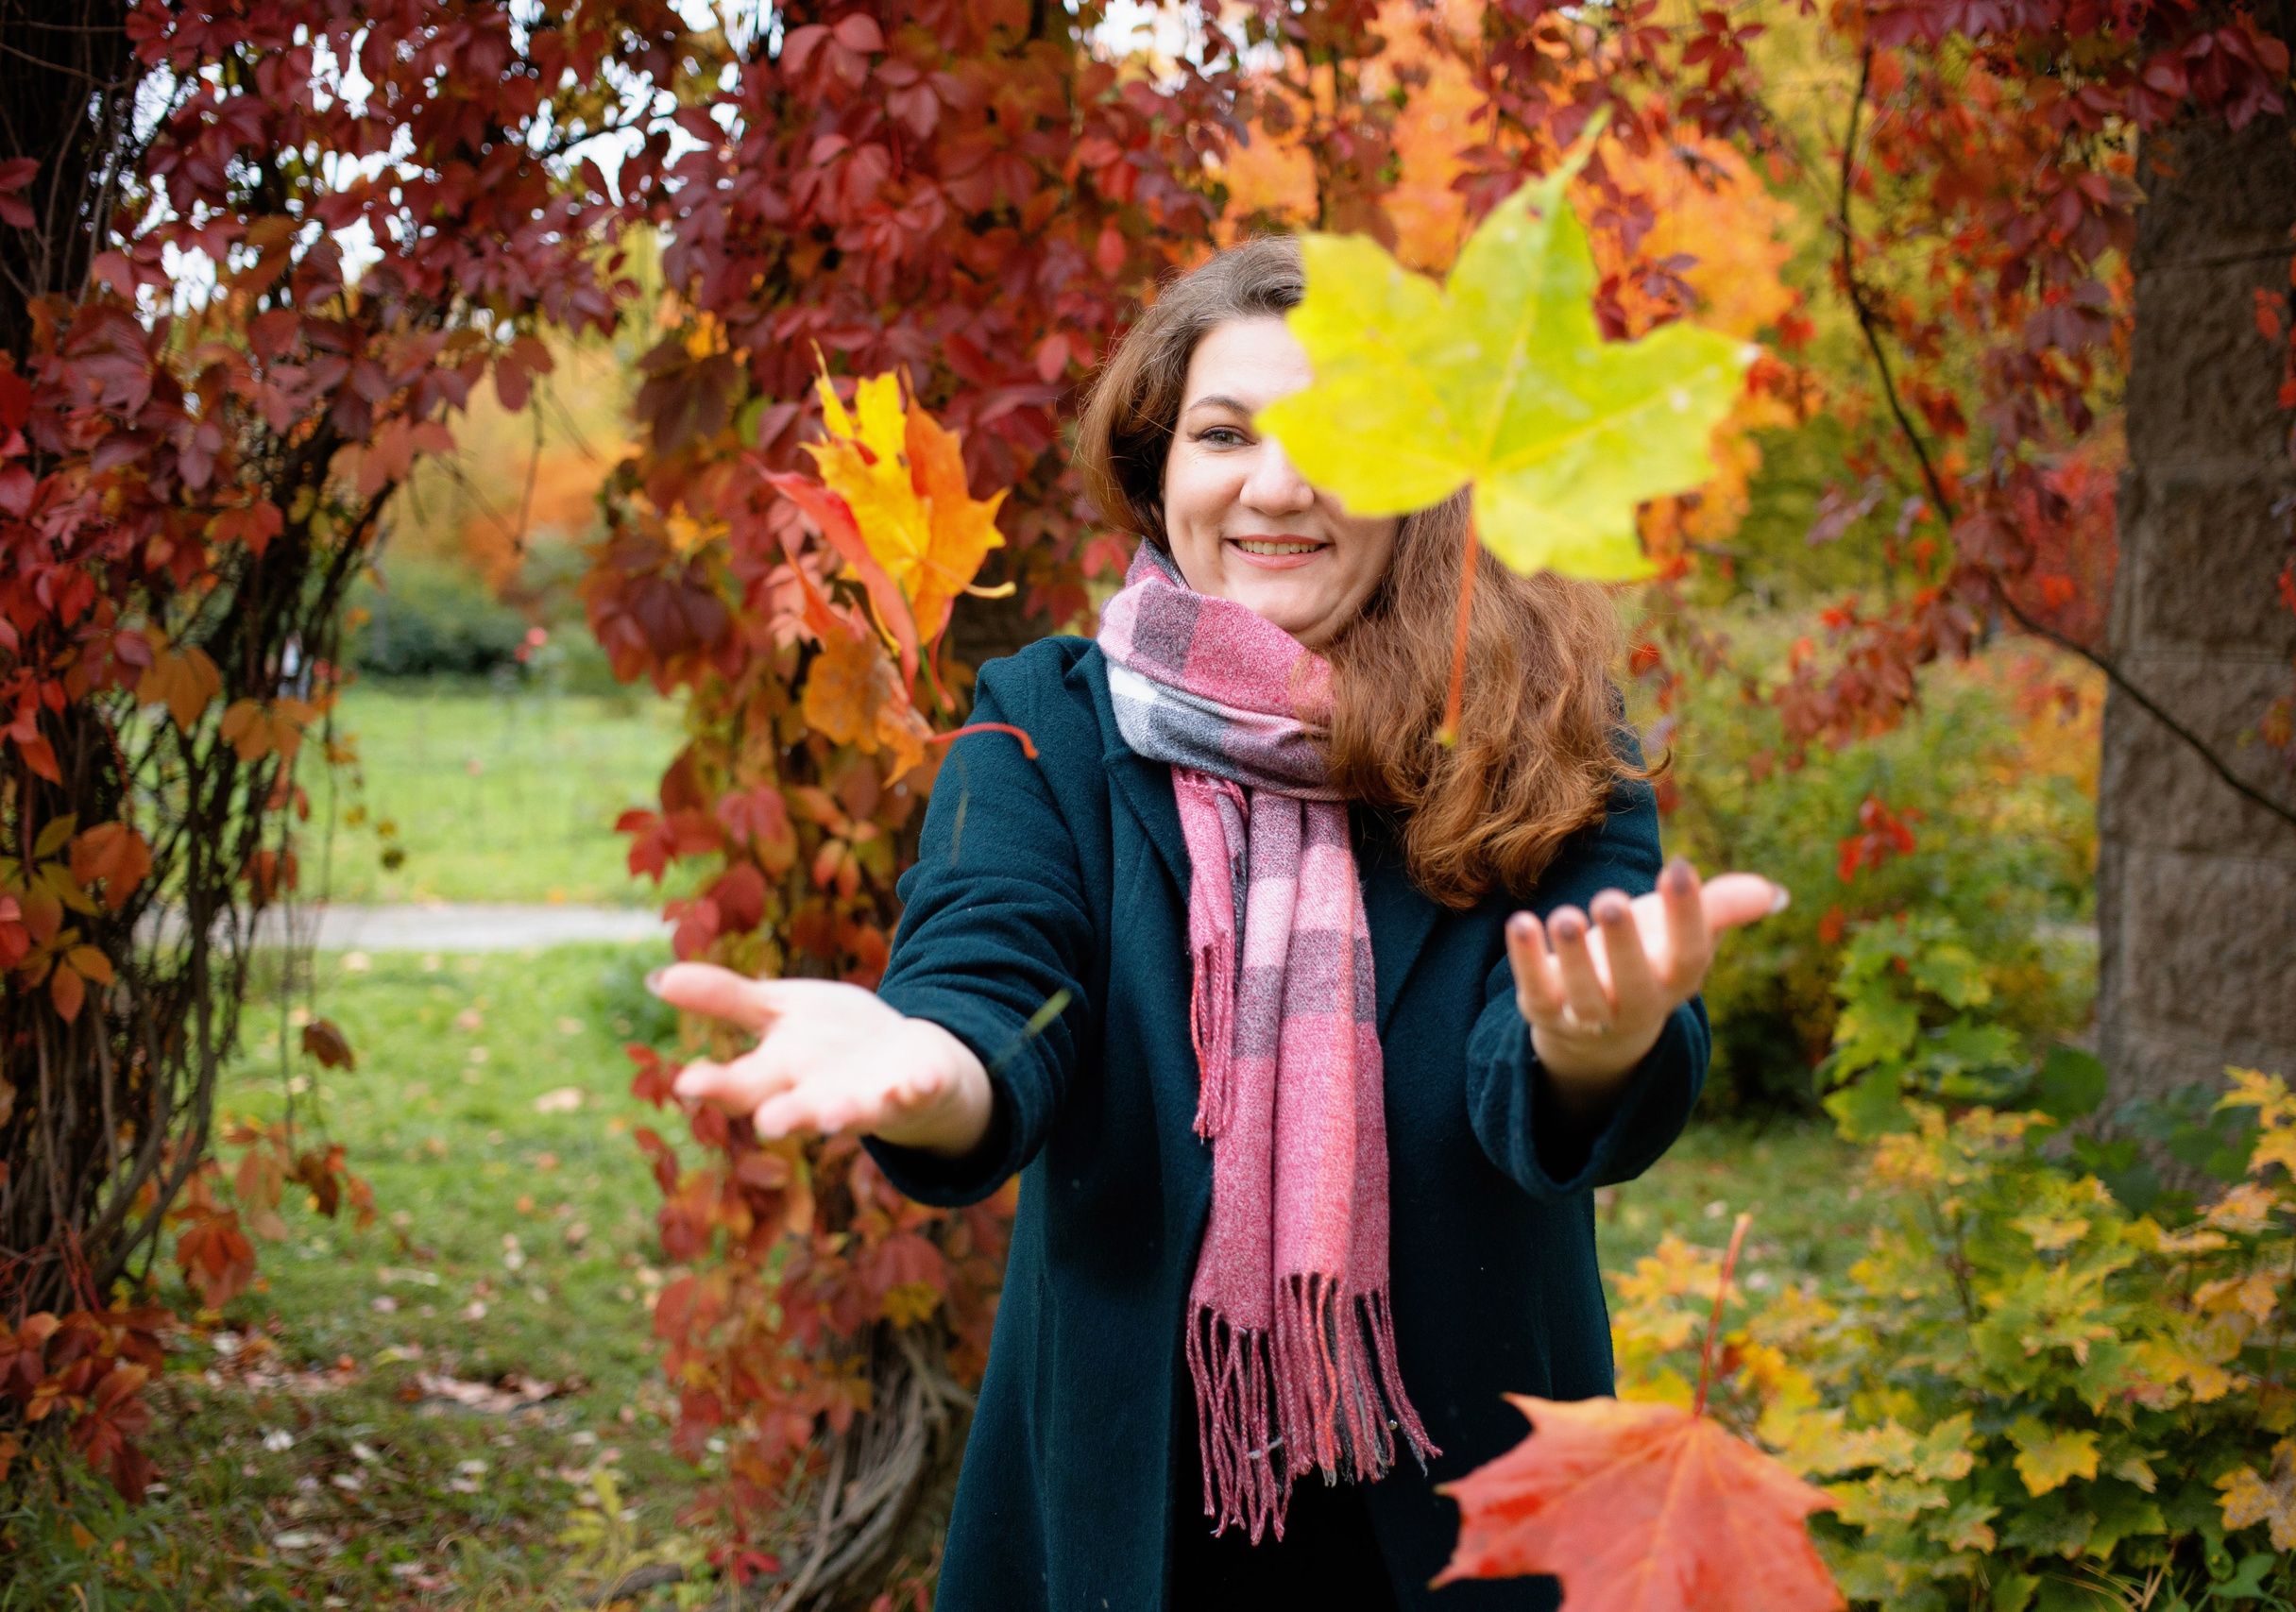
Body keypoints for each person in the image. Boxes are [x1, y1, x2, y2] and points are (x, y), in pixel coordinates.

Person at [651, 236, 1785, 1611]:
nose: (1278, 484)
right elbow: (994, 975)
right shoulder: (1046, 722)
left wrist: (1593, 1046)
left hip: (1476, 1510)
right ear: (1158, 464)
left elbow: (1547, 1079)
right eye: (1223, 434)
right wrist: (939, 1070)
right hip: (1132, 1513)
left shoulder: (1547, 738)